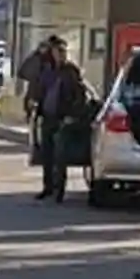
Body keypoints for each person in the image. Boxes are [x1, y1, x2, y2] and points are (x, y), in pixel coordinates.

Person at [37, 37, 94, 200]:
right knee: (46, 154)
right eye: (57, 51)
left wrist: (72, 116)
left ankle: (59, 190)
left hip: (63, 118)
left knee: (59, 155)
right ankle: (47, 187)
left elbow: (79, 96)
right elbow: (36, 82)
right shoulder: (47, 70)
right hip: (48, 116)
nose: (60, 55)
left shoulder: (71, 71)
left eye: (63, 52)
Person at [20, 37, 54, 170]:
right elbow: (23, 72)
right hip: (37, 101)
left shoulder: (56, 66)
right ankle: (38, 155)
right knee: (36, 132)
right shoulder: (37, 61)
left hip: (49, 105)